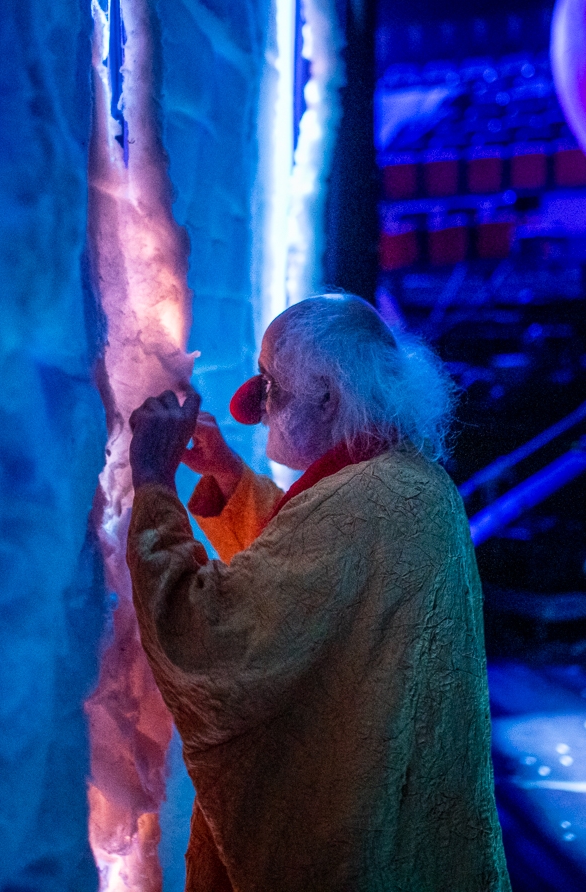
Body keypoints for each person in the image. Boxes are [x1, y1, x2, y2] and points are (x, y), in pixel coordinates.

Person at [126, 292, 510, 892]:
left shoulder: (363, 502)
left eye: (272, 385)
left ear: (328, 396)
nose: (259, 407)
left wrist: (151, 483)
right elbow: (315, 589)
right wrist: (229, 478)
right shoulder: (412, 484)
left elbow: (212, 635)